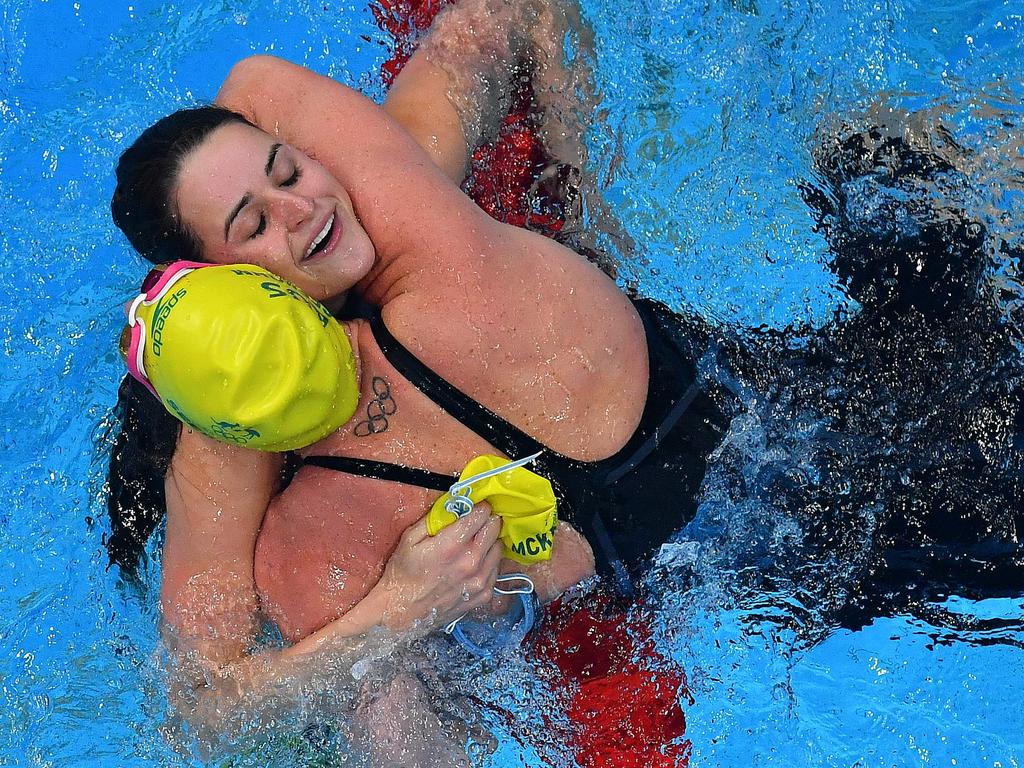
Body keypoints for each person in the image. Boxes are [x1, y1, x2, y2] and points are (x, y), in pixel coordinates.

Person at [105, 0, 728, 760]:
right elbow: (196, 714)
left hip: (707, 432)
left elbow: (518, 5)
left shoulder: (399, 184)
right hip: (567, 619)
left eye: (289, 169)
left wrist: (586, 208)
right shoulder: (227, 456)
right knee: (376, 688)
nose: (303, 211)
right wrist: (398, 611)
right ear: (220, 284)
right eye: (253, 225)